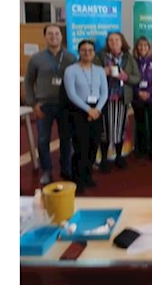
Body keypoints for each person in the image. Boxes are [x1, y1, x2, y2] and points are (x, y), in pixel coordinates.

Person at [23, 24, 77, 184]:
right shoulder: (36, 58)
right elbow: (28, 82)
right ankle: (46, 171)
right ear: (45, 37)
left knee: (66, 139)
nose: (54, 37)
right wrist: (33, 104)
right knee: (43, 140)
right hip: (44, 105)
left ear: (62, 36)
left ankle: (66, 169)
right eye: (50, 34)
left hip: (66, 104)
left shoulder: (71, 58)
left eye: (57, 33)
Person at [63, 40, 108, 194]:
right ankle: (78, 180)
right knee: (80, 147)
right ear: (79, 52)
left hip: (97, 111)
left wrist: (97, 110)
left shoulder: (100, 70)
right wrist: (88, 110)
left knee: (93, 145)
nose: (87, 53)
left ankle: (88, 176)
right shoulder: (71, 70)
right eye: (84, 50)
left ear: (94, 53)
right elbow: (71, 94)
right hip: (79, 111)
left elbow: (104, 93)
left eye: (90, 50)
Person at [94, 32, 141, 172]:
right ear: (107, 43)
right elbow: (91, 74)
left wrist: (126, 77)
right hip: (104, 99)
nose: (114, 43)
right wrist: (103, 71)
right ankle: (104, 159)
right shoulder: (100, 57)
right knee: (104, 129)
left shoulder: (128, 57)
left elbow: (137, 77)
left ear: (122, 42)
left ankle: (119, 156)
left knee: (119, 128)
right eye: (111, 40)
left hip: (122, 99)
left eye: (117, 40)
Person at [132, 36, 152, 160]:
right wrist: (138, 92)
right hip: (137, 97)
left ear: (149, 47)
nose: (142, 48)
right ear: (136, 47)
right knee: (140, 124)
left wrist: (148, 92)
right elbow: (129, 78)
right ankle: (141, 150)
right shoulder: (133, 61)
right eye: (140, 45)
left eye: (145, 45)